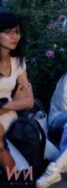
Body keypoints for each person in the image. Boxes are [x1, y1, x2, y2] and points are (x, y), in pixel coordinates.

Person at [0, 13, 37, 169]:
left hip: (12, 120)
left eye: (17, 31)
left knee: (49, 156)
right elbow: (22, 101)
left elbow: (29, 101)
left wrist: (6, 104)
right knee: (16, 172)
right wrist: (15, 101)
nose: (14, 36)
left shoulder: (18, 61)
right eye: (8, 32)